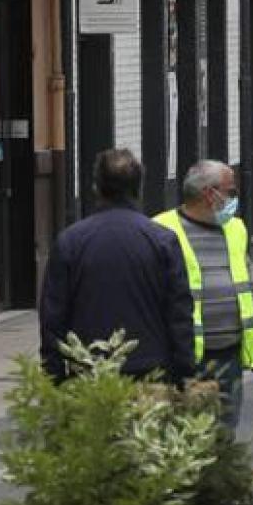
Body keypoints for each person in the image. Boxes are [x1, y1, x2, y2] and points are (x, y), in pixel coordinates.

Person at [155, 160, 253, 505]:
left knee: (224, 440)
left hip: (229, 354)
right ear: (210, 194)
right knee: (187, 442)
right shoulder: (162, 230)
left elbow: (246, 281)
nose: (234, 198)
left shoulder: (234, 228)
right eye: (230, 190)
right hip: (188, 359)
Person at [37, 149, 194, 384]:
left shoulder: (70, 242)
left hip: (90, 373)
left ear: (96, 187)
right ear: (139, 188)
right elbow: (179, 312)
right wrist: (184, 371)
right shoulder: (162, 241)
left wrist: (55, 375)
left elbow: (53, 315)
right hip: (151, 373)